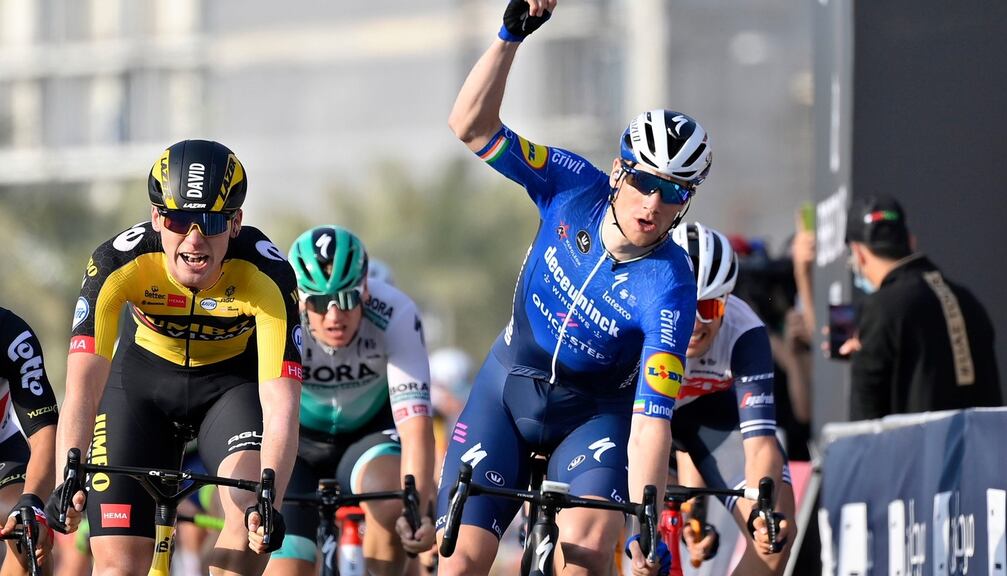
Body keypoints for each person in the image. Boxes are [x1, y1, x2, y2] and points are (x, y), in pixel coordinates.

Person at [435, 1, 714, 573]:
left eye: (674, 191)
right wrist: (511, 35)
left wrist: (648, 524)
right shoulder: (571, 186)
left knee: (584, 557)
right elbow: (470, 126)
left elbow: (651, 421)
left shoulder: (670, 287)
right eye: (643, 180)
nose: (653, 203)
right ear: (619, 170)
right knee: (460, 563)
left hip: (595, 415)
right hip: (506, 393)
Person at [45, 140, 302, 576]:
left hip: (229, 392)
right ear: (156, 219)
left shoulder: (268, 275)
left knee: (247, 520)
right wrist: (67, 474)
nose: (194, 238)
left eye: (210, 221)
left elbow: (282, 403)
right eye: (179, 220)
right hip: (137, 390)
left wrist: (269, 499)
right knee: (118, 566)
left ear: (236, 222)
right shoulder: (117, 263)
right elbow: (84, 385)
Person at [268, 226, 435, 576]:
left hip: (367, 439)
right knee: (290, 567)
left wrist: (416, 512)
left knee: (394, 502)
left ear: (366, 290)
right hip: (296, 443)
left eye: (346, 299)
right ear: (299, 298)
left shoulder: (395, 312)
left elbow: (417, 428)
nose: (333, 316)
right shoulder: (278, 314)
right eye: (316, 302)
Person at [668, 223, 794, 574]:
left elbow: (760, 445)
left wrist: (762, 512)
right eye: (684, 306)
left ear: (726, 302)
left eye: (708, 307)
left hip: (704, 418)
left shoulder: (745, 330)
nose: (695, 322)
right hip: (632, 422)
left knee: (775, 535)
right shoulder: (633, 319)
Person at [842, 194, 1001, 420]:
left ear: (858, 253)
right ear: (911, 241)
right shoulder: (967, 300)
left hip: (918, 453)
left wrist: (863, 360)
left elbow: (865, 426)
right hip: (980, 453)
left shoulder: (882, 308)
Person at [0, 308, 59, 574]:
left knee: (28, 528)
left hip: (4, 450)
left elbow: (44, 431)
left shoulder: (11, 334)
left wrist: (32, 503)